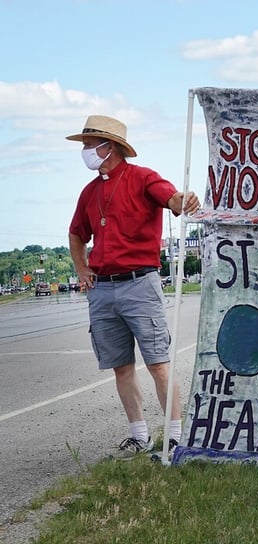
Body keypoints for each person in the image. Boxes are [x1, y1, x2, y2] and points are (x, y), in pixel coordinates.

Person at [67, 114, 200, 459]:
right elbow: (77, 233)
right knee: (120, 366)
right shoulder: (89, 192)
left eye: (88, 145)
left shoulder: (143, 178)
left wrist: (182, 200)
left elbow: (170, 199)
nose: (85, 151)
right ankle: (138, 435)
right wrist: (82, 268)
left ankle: (174, 436)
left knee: (157, 362)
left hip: (140, 284)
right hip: (102, 289)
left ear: (108, 146)